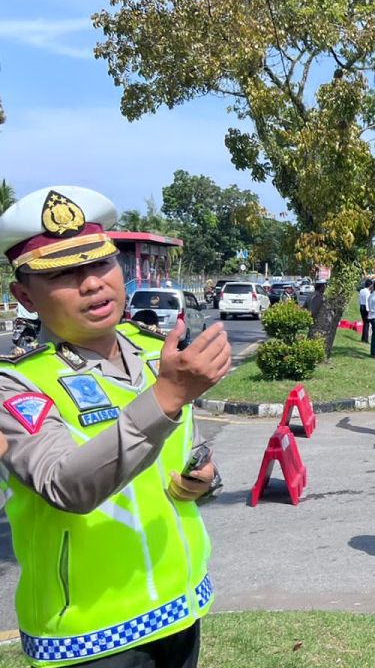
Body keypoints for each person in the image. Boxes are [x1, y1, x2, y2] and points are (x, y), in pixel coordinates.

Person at [0, 186, 229, 667]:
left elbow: (187, 449)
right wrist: (169, 396)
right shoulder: (16, 384)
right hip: (90, 636)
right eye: (63, 273)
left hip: (179, 607)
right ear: (24, 296)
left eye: (100, 264)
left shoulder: (154, 351)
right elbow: (64, 484)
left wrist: (202, 478)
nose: (92, 284)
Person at [358, 279, 371, 344]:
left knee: (364, 322)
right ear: (370, 285)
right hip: (366, 307)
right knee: (366, 323)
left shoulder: (361, 290)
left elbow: (359, 299)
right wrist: (368, 311)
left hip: (361, 306)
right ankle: (365, 339)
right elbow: (367, 301)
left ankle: (363, 338)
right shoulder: (368, 292)